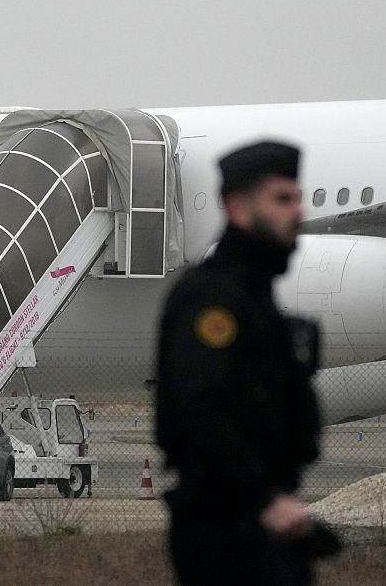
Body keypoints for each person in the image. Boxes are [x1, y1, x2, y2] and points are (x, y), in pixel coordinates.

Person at [155, 141, 331, 585]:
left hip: (258, 521)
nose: (297, 212)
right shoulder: (213, 299)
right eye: (281, 200)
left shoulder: (255, 296)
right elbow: (197, 413)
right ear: (237, 208)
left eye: (298, 198)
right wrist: (263, 502)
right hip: (226, 528)